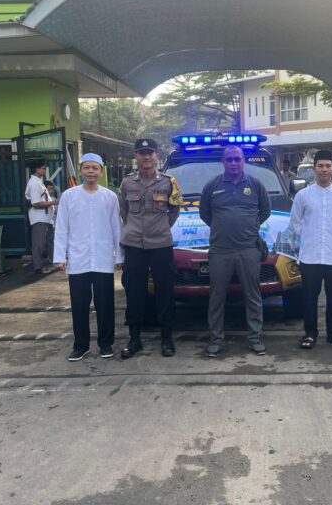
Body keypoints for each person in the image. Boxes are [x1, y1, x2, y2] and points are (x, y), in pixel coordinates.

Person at [199, 144, 271, 357]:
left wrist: (248, 226)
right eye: (229, 159)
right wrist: (223, 227)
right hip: (220, 251)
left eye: (237, 159)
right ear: (223, 162)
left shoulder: (255, 185)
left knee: (253, 296)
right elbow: (205, 214)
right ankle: (216, 340)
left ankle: (255, 338)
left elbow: (265, 211)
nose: (233, 163)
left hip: (249, 249)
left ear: (243, 161)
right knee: (217, 297)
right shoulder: (212, 185)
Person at [53, 153, 123, 361]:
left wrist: (119, 256)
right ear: (81, 170)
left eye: (95, 168)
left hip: (102, 258)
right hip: (78, 259)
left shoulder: (109, 197)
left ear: (101, 171)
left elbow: (117, 228)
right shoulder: (69, 196)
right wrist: (60, 255)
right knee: (79, 305)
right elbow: (61, 227)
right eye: (87, 167)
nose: (91, 171)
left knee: (105, 305)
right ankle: (81, 345)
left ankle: (106, 344)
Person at [118, 138, 183, 358]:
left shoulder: (169, 182)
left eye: (150, 153)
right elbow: (124, 210)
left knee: (165, 290)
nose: (146, 157)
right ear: (136, 156)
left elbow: (174, 210)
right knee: (134, 290)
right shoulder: (127, 183)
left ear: (156, 156)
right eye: (141, 153)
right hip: (134, 245)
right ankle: (134, 339)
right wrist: (135, 229)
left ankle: (167, 338)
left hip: (161, 244)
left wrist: (161, 228)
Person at [290, 150, 332, 349]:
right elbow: (296, 223)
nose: (324, 169)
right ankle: (310, 333)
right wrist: (310, 237)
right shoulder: (303, 195)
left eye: (328, 166)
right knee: (310, 298)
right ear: (314, 168)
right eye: (320, 166)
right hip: (310, 256)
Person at [25, 158, 57, 274]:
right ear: (37, 169)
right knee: (39, 243)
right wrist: (54, 202)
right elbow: (36, 204)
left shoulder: (39, 182)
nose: (45, 170)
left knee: (50, 241)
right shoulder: (34, 183)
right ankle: (38, 267)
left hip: (46, 218)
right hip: (39, 218)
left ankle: (56, 261)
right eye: (43, 168)